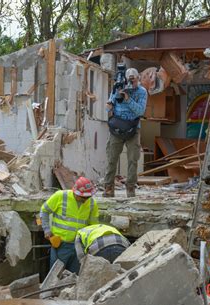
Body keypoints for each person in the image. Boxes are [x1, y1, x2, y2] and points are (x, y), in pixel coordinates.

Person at [40, 177, 99, 274]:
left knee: (74, 276)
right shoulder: (61, 196)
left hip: (79, 246)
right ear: (75, 192)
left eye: (88, 197)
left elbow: (93, 226)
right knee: (55, 275)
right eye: (83, 197)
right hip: (60, 244)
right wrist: (46, 229)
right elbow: (44, 211)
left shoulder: (92, 203)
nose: (85, 200)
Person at [104, 67, 147, 198]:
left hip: (133, 128)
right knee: (112, 158)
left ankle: (130, 188)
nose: (131, 83)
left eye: (133, 80)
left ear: (138, 78)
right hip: (117, 127)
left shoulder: (142, 92)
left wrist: (128, 99)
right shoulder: (118, 87)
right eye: (129, 80)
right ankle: (108, 187)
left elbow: (140, 111)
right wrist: (109, 105)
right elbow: (108, 108)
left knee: (133, 159)